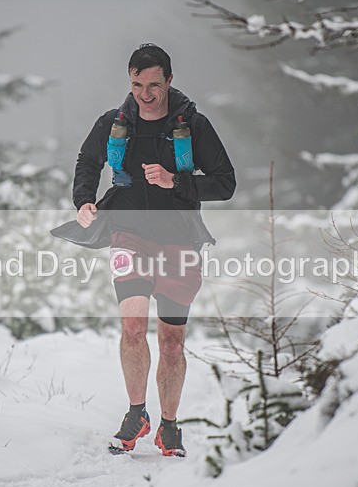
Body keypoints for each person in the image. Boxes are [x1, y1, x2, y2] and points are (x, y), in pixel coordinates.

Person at [61, 43, 235, 456]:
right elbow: (88, 161)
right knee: (133, 326)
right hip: (128, 232)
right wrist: (84, 200)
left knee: (171, 341)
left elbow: (225, 183)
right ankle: (137, 412)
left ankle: (168, 427)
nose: (145, 94)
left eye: (153, 84)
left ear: (169, 81)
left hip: (180, 239)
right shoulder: (113, 122)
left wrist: (175, 181)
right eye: (137, 84)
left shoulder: (194, 126)